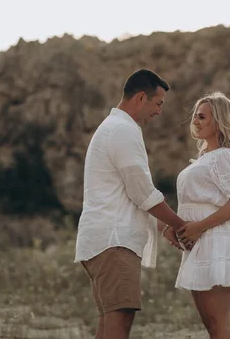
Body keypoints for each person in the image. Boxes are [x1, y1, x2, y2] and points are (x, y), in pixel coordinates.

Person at [74, 68, 189, 339]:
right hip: (114, 242)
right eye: (158, 103)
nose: (159, 112)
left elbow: (135, 193)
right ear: (140, 98)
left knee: (109, 324)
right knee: (118, 324)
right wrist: (181, 225)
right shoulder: (123, 130)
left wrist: (163, 226)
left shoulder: (113, 128)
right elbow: (142, 193)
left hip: (103, 241)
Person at [175, 92, 230, 339]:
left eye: (202, 117)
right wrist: (176, 228)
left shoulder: (226, 156)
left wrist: (199, 227)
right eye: (195, 116)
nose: (195, 121)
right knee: (211, 326)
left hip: (216, 240)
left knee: (219, 326)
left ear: (218, 122)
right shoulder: (204, 159)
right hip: (198, 243)